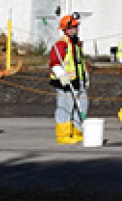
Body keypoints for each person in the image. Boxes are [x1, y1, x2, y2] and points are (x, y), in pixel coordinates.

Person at [49, 13, 88, 145]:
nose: (75, 30)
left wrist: (85, 75)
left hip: (78, 80)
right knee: (65, 108)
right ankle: (63, 135)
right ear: (65, 29)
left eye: (76, 27)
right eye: (72, 28)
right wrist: (61, 75)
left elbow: (79, 61)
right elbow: (54, 62)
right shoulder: (61, 44)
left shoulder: (76, 43)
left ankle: (77, 131)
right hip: (65, 82)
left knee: (81, 106)